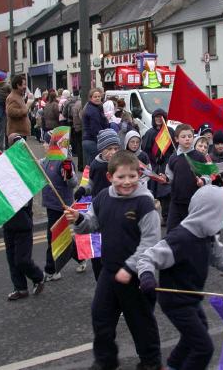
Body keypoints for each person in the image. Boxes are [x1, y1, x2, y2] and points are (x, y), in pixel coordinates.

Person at [65, 151, 163, 370]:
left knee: (141, 323)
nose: (127, 182)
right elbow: (92, 224)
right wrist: (79, 218)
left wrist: (130, 268)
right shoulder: (102, 197)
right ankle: (105, 361)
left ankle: (151, 363)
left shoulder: (145, 203)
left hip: (137, 276)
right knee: (100, 317)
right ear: (110, 177)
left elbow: (151, 243)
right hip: (109, 272)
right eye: (121, 177)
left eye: (132, 176)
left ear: (139, 175)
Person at [137, 185, 223, 370]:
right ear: (209, 215)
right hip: (175, 300)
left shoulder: (207, 234)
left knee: (195, 334)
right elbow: (147, 258)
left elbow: (217, 254)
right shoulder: (181, 239)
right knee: (204, 348)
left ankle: (172, 365)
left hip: (191, 296)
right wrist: (146, 276)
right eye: (220, 216)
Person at [74, 128, 121, 280]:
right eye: (109, 149)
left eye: (116, 148)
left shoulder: (121, 163)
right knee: (97, 251)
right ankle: (100, 280)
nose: (113, 152)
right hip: (99, 209)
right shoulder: (95, 165)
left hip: (116, 208)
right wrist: (83, 189)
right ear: (101, 149)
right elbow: (91, 184)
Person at [3, 134, 45, 300]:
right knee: (11, 259)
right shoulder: (4, 166)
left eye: (20, 143)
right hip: (7, 220)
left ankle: (38, 277)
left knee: (22, 260)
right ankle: (20, 288)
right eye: (14, 144)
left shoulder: (27, 167)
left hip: (23, 222)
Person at [41, 132, 86, 279]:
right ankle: (80, 257)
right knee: (60, 235)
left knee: (52, 235)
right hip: (50, 203)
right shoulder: (47, 159)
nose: (44, 144)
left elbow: (72, 183)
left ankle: (51, 270)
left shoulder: (65, 161)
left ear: (54, 145)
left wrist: (69, 173)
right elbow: (37, 164)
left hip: (61, 205)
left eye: (46, 142)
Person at [161, 124, 210, 231]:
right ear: (176, 139)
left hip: (194, 201)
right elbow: (170, 177)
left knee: (193, 230)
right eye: (183, 137)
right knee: (171, 230)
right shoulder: (173, 158)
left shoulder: (199, 157)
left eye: (189, 136)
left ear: (193, 137)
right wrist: (165, 179)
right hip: (176, 201)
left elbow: (208, 175)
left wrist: (202, 180)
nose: (187, 139)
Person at [141, 109, 175, 226]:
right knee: (161, 194)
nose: (158, 119)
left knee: (168, 192)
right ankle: (165, 216)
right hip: (156, 166)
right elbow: (145, 150)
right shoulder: (150, 133)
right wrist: (154, 160)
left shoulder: (169, 131)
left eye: (161, 117)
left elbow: (174, 149)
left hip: (168, 164)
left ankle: (169, 215)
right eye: (156, 117)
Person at [82, 88, 109, 166]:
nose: (97, 98)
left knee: (90, 165)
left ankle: (88, 178)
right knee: (96, 164)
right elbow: (96, 129)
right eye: (95, 97)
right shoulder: (93, 110)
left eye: (99, 96)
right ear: (91, 98)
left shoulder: (95, 108)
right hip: (92, 141)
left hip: (89, 140)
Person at [6, 75, 30, 140]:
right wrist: (25, 109)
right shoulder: (12, 97)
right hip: (16, 134)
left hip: (20, 133)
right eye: (24, 84)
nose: (25, 87)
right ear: (18, 85)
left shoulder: (18, 96)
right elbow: (10, 112)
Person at [71, 91, 84, 171]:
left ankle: (80, 165)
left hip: (76, 127)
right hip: (81, 128)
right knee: (82, 148)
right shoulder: (82, 104)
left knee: (79, 147)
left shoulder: (76, 103)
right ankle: (82, 165)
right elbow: (82, 117)